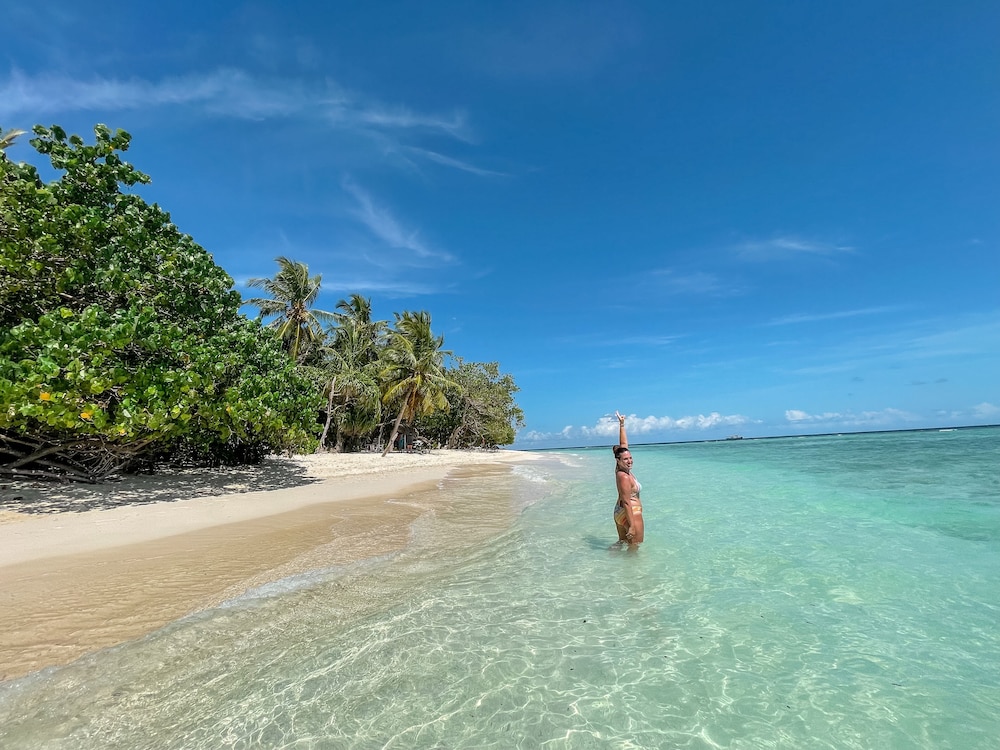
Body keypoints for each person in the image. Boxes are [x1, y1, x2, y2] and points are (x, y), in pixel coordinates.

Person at [612, 411, 644, 547]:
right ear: (618, 460)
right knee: (635, 547)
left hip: (619, 512)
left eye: (630, 457)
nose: (629, 461)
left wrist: (622, 425)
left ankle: (609, 557)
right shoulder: (624, 476)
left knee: (622, 543)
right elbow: (626, 502)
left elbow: (623, 445)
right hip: (630, 512)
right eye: (626, 459)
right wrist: (631, 526)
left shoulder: (620, 470)